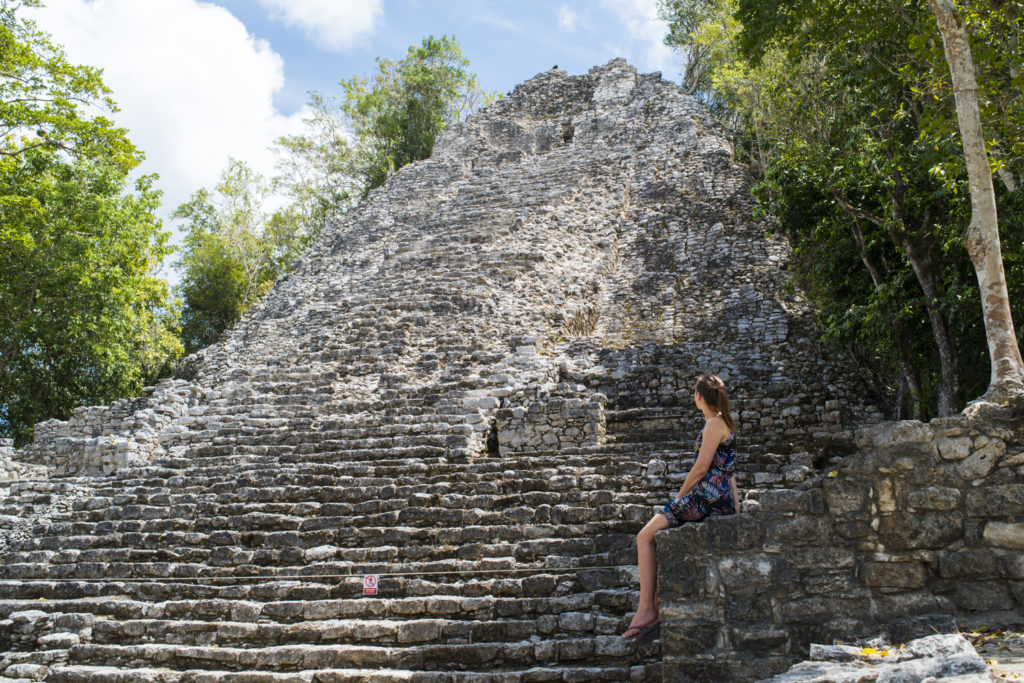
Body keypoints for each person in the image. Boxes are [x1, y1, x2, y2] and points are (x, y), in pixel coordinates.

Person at [621, 374, 741, 642]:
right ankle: (651, 606)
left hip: (707, 496)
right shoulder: (727, 424)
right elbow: (729, 471)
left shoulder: (713, 423)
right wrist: (736, 506)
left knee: (644, 536)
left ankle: (646, 610)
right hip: (721, 497)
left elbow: (700, 468)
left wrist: (679, 497)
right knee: (653, 537)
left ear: (699, 397)